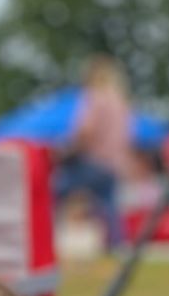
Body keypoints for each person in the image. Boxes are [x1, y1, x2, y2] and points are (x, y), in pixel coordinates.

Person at [54, 57, 134, 249]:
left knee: (56, 190)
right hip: (115, 164)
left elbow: (85, 131)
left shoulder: (94, 98)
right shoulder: (122, 103)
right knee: (108, 204)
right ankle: (117, 244)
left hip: (93, 160)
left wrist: (68, 149)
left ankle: (44, 237)